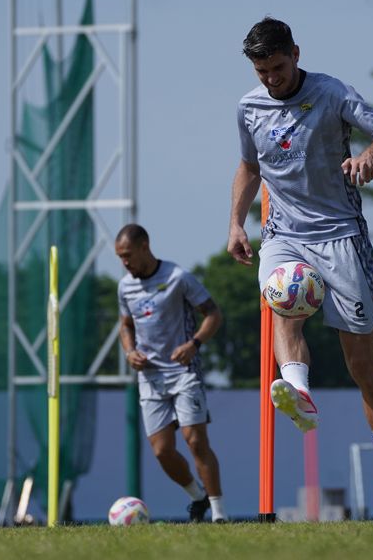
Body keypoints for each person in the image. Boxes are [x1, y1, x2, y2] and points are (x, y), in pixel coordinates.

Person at [227, 17, 373, 526]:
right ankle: (298, 389)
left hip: (341, 236)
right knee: (282, 297)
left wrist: (369, 157)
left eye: (277, 67)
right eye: (261, 71)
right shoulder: (249, 108)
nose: (270, 79)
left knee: (363, 364)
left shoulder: (332, 93)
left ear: (296, 53)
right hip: (284, 235)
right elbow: (250, 167)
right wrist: (235, 223)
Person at [116, 223, 228, 523]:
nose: (125, 263)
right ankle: (197, 496)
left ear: (144, 246)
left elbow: (213, 314)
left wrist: (194, 344)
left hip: (183, 372)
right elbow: (125, 325)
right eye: (119, 258)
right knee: (162, 452)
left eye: (128, 255)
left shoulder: (178, 277)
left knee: (195, 441)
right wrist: (129, 352)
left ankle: (219, 514)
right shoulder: (125, 286)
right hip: (150, 379)